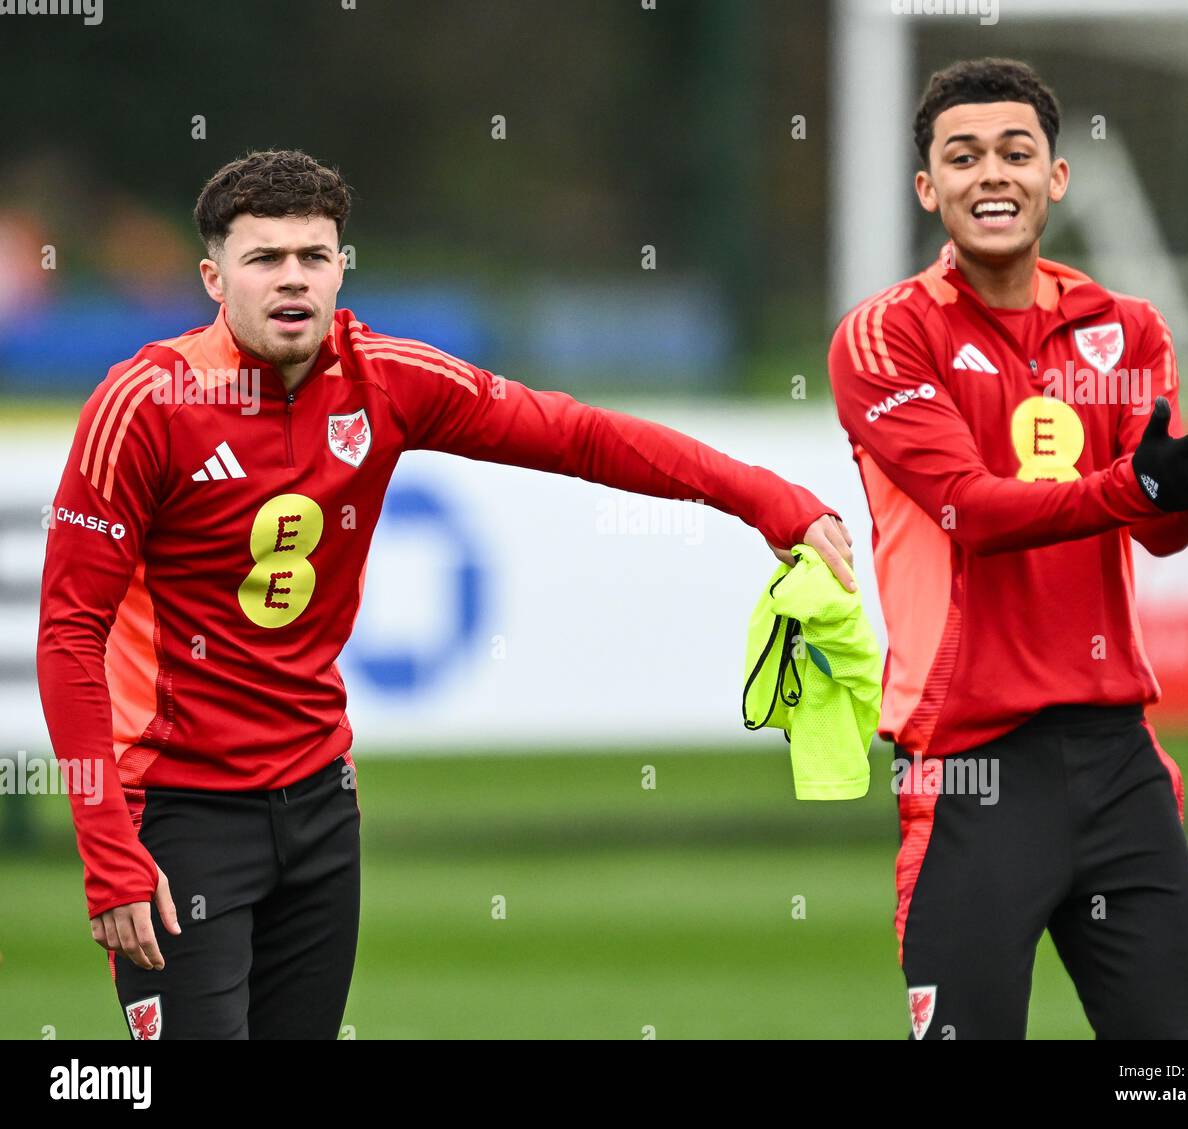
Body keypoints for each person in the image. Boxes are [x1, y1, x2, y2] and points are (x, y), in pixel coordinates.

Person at [36, 148, 855, 1039]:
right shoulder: (147, 402)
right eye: (264, 258)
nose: (292, 279)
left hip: (318, 804)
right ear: (212, 276)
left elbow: (576, 434)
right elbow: (70, 632)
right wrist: (108, 847)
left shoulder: (385, 376)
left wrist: (769, 500)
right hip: (178, 814)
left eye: (314, 256)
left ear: (342, 267)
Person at [827, 58, 1188, 1040]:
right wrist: (1131, 486)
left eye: (1015, 152)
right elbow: (964, 509)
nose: (992, 174)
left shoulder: (1125, 329)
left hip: (1119, 762)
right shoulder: (883, 337)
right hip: (968, 765)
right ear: (926, 188)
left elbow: (1153, 533)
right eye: (963, 156)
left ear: (1054, 178)